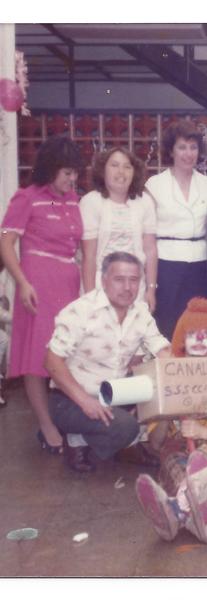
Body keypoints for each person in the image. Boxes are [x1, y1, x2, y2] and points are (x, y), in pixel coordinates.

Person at [45, 252, 171, 472]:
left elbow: (162, 350)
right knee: (126, 426)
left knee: (160, 382)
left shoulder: (140, 312)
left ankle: (118, 439)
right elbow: (52, 361)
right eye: (119, 279)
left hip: (112, 393)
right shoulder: (80, 311)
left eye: (133, 280)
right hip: (71, 399)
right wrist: (85, 401)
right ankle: (78, 440)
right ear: (103, 280)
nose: (127, 287)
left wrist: (185, 373)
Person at [135, 297, 207, 544]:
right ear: (181, 338)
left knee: (201, 460)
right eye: (192, 333)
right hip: (177, 451)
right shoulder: (168, 375)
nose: (198, 340)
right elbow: (155, 443)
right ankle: (198, 519)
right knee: (175, 462)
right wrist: (167, 413)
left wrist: (202, 433)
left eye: (206, 334)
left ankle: (175, 510)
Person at [0, 135, 83, 454]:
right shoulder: (26, 197)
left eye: (75, 173)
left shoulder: (74, 199)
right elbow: (5, 244)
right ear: (50, 170)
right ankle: (47, 427)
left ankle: (64, 419)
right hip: (36, 284)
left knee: (67, 354)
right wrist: (22, 283)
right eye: (66, 173)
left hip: (68, 284)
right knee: (38, 358)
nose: (71, 179)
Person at [145, 120, 207, 338]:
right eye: (182, 147)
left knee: (197, 329)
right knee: (167, 327)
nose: (188, 153)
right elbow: (147, 241)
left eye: (193, 147)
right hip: (167, 267)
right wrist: (150, 286)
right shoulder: (154, 185)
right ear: (171, 151)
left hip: (200, 267)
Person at [80, 146, 157, 310]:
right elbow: (89, 256)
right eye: (114, 165)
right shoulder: (91, 202)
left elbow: (150, 250)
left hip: (136, 288)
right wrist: (89, 297)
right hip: (100, 287)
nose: (121, 172)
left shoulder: (144, 202)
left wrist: (150, 290)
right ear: (103, 170)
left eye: (127, 167)